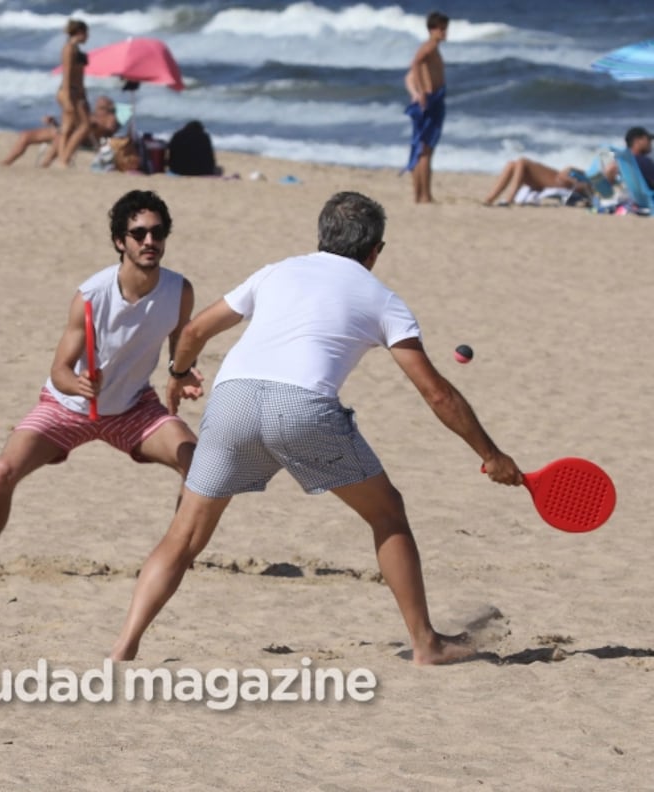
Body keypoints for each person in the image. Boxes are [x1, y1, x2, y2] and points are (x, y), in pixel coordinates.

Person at [110, 191, 522, 665]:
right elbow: (436, 393)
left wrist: (180, 374)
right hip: (301, 405)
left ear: (321, 237)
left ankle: (123, 647)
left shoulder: (277, 271)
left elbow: (195, 331)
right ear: (375, 252)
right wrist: (489, 453)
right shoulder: (383, 299)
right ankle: (426, 644)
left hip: (233, 398)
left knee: (183, 535)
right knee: (388, 514)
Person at [0, 190, 204, 578]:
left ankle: (175, 561)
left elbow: (178, 347)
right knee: (4, 471)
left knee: (199, 463)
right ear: (119, 241)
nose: (149, 242)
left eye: (157, 233)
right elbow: (59, 369)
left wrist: (182, 373)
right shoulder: (91, 295)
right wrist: (76, 385)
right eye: (138, 233)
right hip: (67, 408)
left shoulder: (179, 291)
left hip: (132, 408)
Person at [403, 11, 449, 204]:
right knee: (424, 149)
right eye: (442, 28)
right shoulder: (429, 47)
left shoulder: (434, 48)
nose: (445, 32)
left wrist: (416, 90)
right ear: (433, 29)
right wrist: (421, 92)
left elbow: (409, 75)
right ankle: (423, 196)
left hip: (435, 100)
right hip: (430, 100)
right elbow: (415, 64)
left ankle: (423, 195)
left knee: (425, 149)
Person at [1, 96, 121, 167]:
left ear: (109, 107)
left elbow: (111, 130)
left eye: (101, 106)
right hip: (66, 132)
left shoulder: (110, 118)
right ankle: (7, 161)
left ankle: (45, 164)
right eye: (98, 105)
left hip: (81, 139)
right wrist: (54, 122)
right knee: (26, 135)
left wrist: (93, 126)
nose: (98, 107)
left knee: (60, 135)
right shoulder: (91, 114)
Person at [54, 18, 91, 168]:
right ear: (80, 32)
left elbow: (80, 76)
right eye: (86, 33)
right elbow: (67, 74)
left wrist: (83, 94)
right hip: (68, 91)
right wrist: (69, 99)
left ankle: (62, 160)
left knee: (67, 127)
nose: (88, 37)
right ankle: (64, 158)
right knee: (84, 126)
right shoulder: (69, 49)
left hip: (74, 92)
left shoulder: (75, 49)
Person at [483, 157, 592, 206]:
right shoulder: (576, 174)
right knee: (512, 164)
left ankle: (509, 199)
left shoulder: (586, 184)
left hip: (553, 182)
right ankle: (489, 199)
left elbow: (583, 188)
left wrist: (572, 179)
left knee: (522, 161)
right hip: (551, 179)